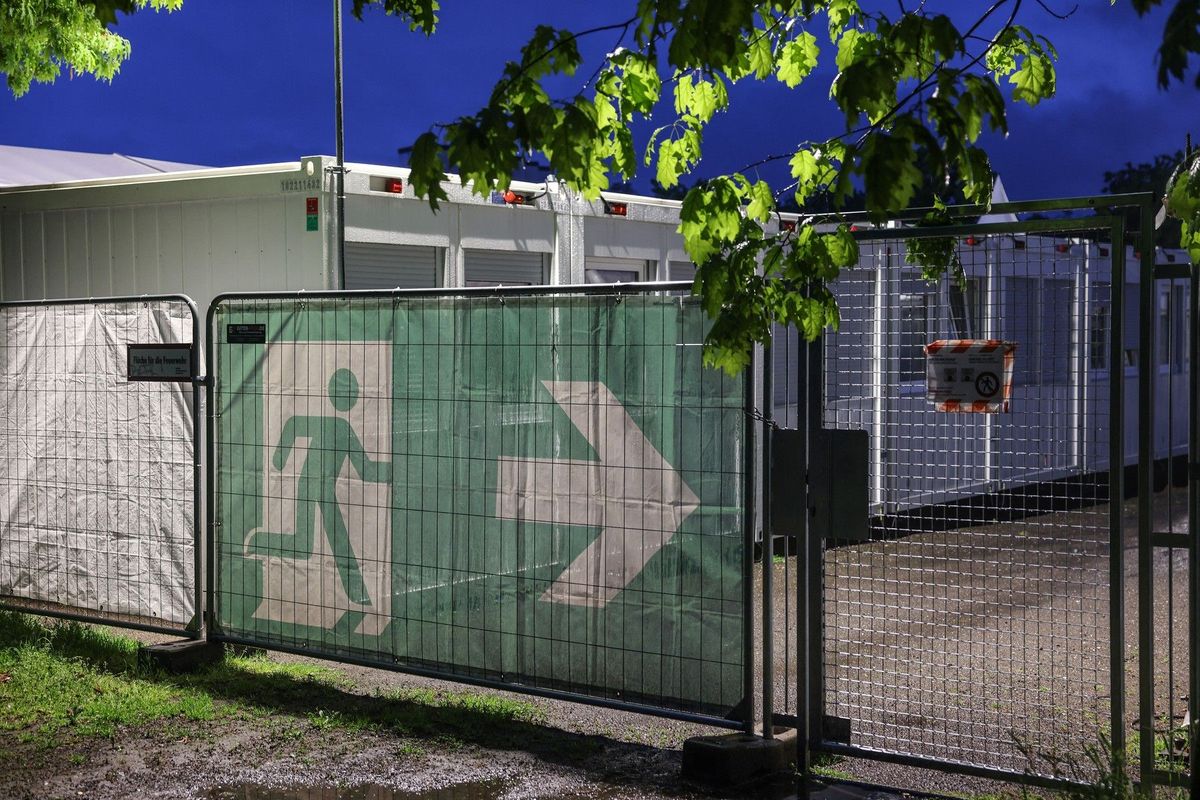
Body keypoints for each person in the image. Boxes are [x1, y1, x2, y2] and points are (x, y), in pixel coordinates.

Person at [248, 368, 390, 605]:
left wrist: (280, 457)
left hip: (323, 489)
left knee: (310, 543)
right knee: (309, 544)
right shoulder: (338, 425)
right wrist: (280, 457)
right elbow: (295, 424)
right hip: (311, 487)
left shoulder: (341, 426)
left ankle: (356, 592)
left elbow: (365, 469)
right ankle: (258, 542)